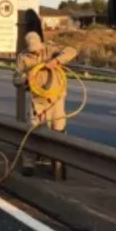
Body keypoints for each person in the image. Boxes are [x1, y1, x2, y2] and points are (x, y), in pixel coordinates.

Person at [12, 31, 77, 176]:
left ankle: (58, 164)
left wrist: (56, 61)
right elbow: (15, 79)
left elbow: (72, 51)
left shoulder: (51, 49)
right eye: (32, 50)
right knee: (33, 130)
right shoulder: (23, 57)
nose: (35, 52)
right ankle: (28, 163)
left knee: (58, 131)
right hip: (37, 100)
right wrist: (26, 77)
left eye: (37, 48)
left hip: (56, 98)